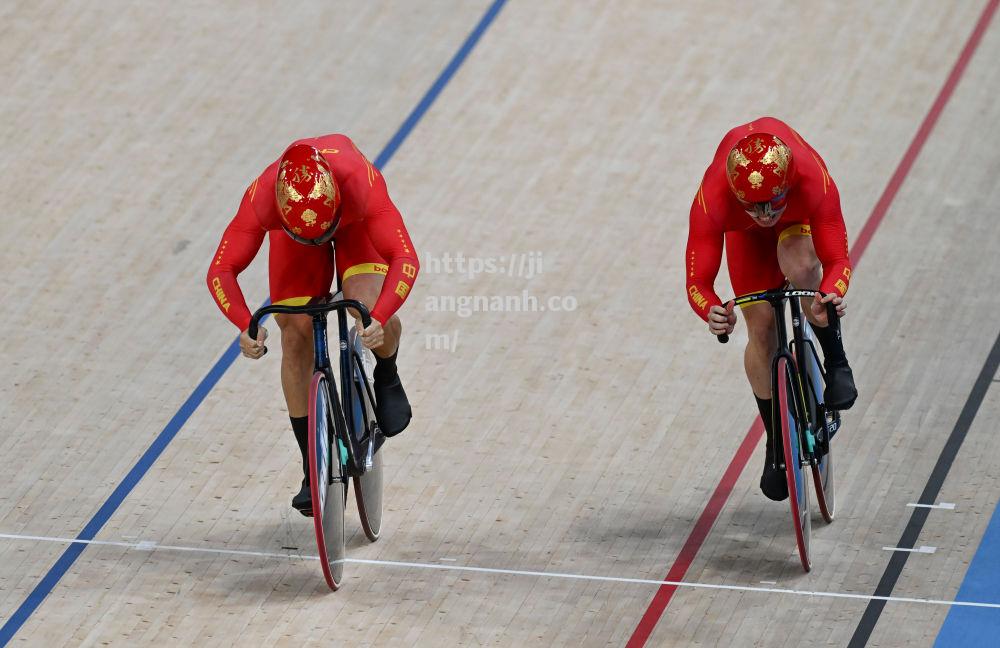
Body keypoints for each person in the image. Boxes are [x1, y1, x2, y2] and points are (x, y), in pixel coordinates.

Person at [207, 135, 419, 515]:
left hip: (353, 223)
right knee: (296, 334)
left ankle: (387, 374)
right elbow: (221, 271)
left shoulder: (360, 182)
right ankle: (311, 464)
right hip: (295, 238)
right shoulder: (262, 198)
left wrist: (381, 317)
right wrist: (245, 324)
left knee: (366, 306)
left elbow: (405, 259)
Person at [684, 117, 857, 501]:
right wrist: (711, 311)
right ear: (735, 195)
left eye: (770, 205)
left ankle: (838, 363)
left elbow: (837, 261)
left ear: (788, 185)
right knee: (760, 329)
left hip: (797, 223)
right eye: (754, 207)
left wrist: (830, 291)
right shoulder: (713, 198)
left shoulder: (812, 178)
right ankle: (776, 443)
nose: (764, 216)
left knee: (803, 269)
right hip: (742, 237)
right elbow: (698, 283)